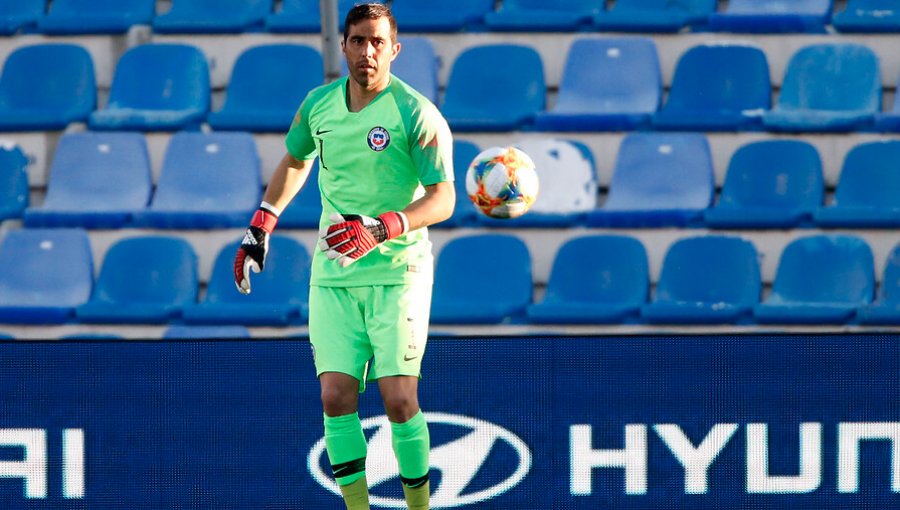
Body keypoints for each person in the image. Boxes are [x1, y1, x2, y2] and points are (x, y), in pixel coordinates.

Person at [233, 4, 455, 509]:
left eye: (378, 42)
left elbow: (444, 198)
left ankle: (419, 507)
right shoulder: (319, 105)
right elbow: (295, 158)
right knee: (335, 396)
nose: (368, 52)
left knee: (399, 401)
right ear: (344, 46)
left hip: (399, 272)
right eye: (358, 41)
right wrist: (261, 225)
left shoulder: (416, 113)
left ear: (394, 50)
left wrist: (383, 227)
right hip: (334, 273)